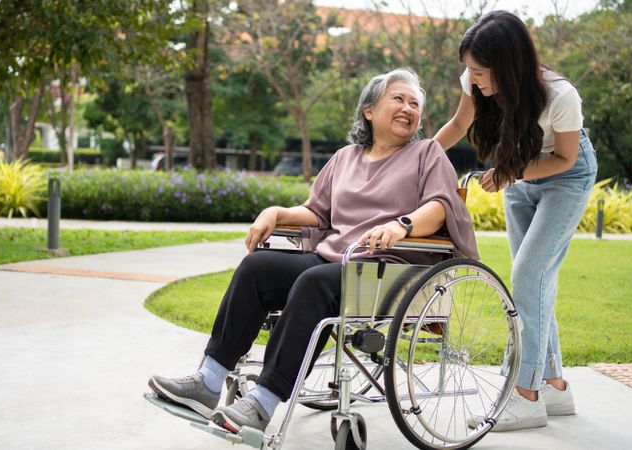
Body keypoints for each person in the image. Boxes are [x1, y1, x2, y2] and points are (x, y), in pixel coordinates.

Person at [149, 68, 478, 434]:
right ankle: (209, 381)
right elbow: (317, 211)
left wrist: (400, 225)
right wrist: (275, 212)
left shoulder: (426, 153)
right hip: (334, 260)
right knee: (256, 268)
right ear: (369, 110)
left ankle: (263, 402)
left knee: (313, 282)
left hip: (389, 268)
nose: (408, 108)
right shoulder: (344, 157)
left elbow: (439, 207)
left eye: (415, 104)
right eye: (398, 99)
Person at [434, 11, 598, 432]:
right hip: (519, 172)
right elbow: (458, 123)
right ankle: (555, 385)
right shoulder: (474, 80)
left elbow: (564, 158)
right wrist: (416, 158)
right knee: (535, 281)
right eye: (468, 69)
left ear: (508, 65)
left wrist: (510, 172)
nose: (473, 79)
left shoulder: (561, 96)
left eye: (480, 71)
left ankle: (525, 396)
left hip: (566, 176)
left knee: (528, 275)